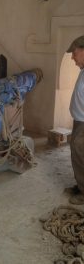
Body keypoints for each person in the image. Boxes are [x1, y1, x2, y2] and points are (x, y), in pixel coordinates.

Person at [65, 35, 84, 204]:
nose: (72, 57)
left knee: (81, 153)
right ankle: (80, 185)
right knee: (77, 154)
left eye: (75, 53)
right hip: (80, 121)